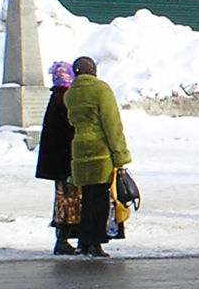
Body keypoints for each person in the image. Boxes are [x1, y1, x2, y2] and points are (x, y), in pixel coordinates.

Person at [64, 56, 131, 258]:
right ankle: (95, 243)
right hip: (100, 150)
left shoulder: (70, 94)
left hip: (80, 149)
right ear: (94, 71)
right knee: (101, 198)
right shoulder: (101, 90)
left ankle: (84, 242)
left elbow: (71, 120)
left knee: (87, 197)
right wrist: (120, 154)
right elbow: (112, 123)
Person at [34, 61, 80, 256]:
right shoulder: (65, 100)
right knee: (69, 200)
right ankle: (62, 239)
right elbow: (68, 133)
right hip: (66, 162)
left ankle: (63, 238)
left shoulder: (55, 98)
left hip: (58, 163)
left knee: (64, 199)